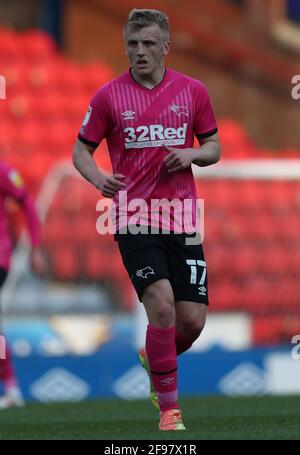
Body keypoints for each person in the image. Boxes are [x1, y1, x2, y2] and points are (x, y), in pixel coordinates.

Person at [73, 9, 221, 431]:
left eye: (149, 44)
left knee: (191, 322)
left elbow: (213, 147)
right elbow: (80, 151)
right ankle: (169, 413)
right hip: (133, 215)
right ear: (126, 46)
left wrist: (193, 153)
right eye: (133, 44)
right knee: (161, 305)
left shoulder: (193, 92)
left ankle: (154, 360)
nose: (140, 52)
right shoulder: (107, 97)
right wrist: (99, 179)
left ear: (165, 48)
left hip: (182, 216)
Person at [0, 160, 46, 409]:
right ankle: (11, 387)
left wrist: (35, 248)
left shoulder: (3, 171)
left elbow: (27, 204)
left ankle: (10, 385)